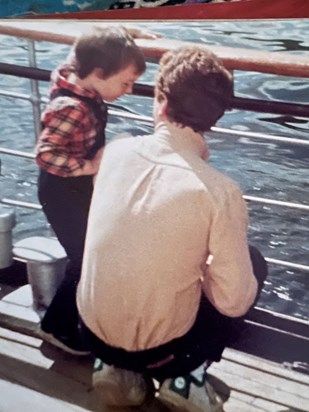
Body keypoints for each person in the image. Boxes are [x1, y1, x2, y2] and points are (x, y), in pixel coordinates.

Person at [77, 45, 268, 411]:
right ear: (216, 117)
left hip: (94, 333)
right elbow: (233, 301)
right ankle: (184, 380)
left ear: (161, 103)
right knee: (251, 266)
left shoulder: (116, 152)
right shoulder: (219, 191)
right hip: (163, 353)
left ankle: (115, 367)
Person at [35, 25, 147, 355]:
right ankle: (58, 327)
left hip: (76, 189)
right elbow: (45, 155)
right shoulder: (71, 107)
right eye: (125, 83)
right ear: (98, 73)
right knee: (85, 258)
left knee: (97, 249)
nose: (129, 90)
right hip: (62, 191)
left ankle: (85, 314)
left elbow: (87, 42)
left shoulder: (75, 71)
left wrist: (127, 34)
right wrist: (92, 166)